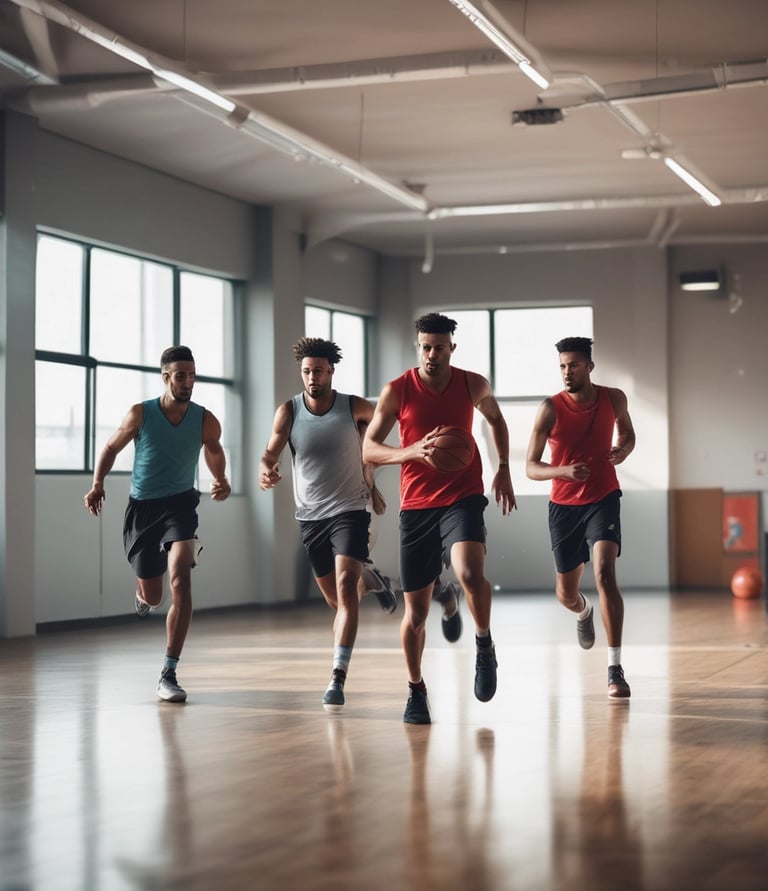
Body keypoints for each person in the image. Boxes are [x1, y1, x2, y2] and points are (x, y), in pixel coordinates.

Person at [363, 312, 516, 724]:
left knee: (469, 572)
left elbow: (496, 419)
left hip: (463, 497)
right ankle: (416, 690)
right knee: (415, 614)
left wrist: (503, 467)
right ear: (418, 347)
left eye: (440, 348)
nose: (432, 355)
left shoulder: (471, 384)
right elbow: (369, 448)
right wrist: (410, 452)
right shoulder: (397, 390)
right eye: (426, 347)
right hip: (417, 507)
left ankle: (483, 645)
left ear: (452, 348)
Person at [83, 345, 231, 703]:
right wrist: (98, 483)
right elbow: (110, 448)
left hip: (181, 506)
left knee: (180, 577)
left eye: (192, 375)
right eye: (181, 376)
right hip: (143, 511)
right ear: (166, 377)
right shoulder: (141, 413)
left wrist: (220, 479)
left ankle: (169, 672)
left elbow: (213, 449)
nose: (188, 382)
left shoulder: (205, 419)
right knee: (154, 595)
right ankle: (142, 595)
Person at [259, 337, 397, 712]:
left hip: (350, 509)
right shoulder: (289, 411)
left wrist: (370, 472)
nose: (312, 377)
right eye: (307, 371)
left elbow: (383, 428)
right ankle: (373, 579)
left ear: (331, 371)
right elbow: (271, 451)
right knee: (337, 602)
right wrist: (265, 469)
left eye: (318, 371)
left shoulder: (354, 407)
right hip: (310, 517)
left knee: (345, 591)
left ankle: (337, 676)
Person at [525, 336, 635, 699]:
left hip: (603, 498)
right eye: (562, 366)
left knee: (604, 573)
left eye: (573, 365)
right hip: (564, 507)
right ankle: (583, 611)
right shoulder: (550, 408)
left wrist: (623, 449)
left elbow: (628, 432)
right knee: (566, 594)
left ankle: (615, 669)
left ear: (589, 366)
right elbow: (531, 467)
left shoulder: (614, 398)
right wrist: (563, 472)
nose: (566, 372)